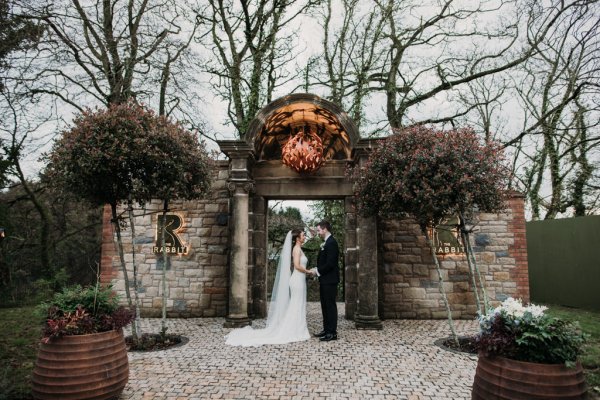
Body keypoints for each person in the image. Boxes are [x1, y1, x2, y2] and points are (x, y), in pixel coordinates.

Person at [225, 229, 311, 346]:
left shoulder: (299, 249)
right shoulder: (296, 249)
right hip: (297, 279)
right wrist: (308, 271)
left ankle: (298, 328)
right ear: (297, 238)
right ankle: (294, 329)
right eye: (302, 235)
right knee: (296, 303)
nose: (304, 237)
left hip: (299, 279)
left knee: (298, 303)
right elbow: (296, 265)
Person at [308, 220, 340, 342]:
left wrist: (317, 271)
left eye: (319, 230)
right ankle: (326, 329)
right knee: (324, 305)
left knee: (330, 306)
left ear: (325, 229)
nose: (318, 232)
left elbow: (331, 264)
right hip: (325, 280)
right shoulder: (326, 242)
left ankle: (332, 333)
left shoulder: (331, 243)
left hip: (330, 280)